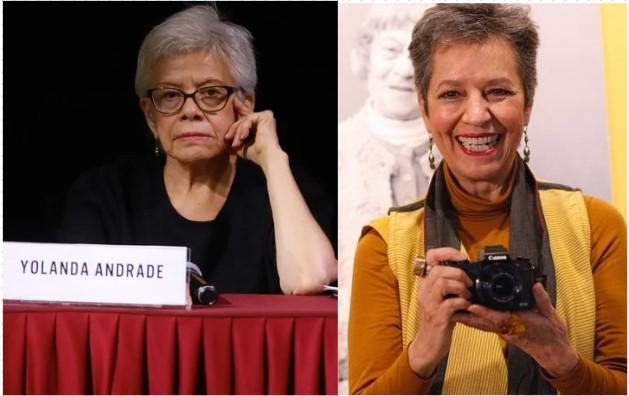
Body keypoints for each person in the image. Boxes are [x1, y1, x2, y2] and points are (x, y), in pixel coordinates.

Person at [349, 4, 626, 394]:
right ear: (425, 110)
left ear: (527, 103)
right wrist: (424, 350)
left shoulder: (596, 226)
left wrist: (561, 361)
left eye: (498, 91)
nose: (477, 115)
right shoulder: (386, 245)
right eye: (451, 94)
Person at [58, 5, 337, 296]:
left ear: (245, 104)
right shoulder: (106, 195)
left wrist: (274, 160)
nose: (190, 111)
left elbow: (310, 280)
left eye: (211, 93)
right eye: (169, 95)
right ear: (150, 115)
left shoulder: (288, 195)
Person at [337, 5, 435, 391]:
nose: (406, 69)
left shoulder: (471, 154)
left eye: (418, 56)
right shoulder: (339, 149)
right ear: (364, 57)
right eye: (392, 51)